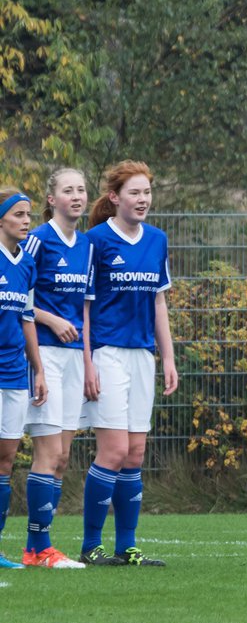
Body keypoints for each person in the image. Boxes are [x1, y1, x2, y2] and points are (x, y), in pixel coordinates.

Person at [77, 160, 178, 567]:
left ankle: (127, 547)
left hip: (142, 356)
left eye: (147, 193)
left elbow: (158, 302)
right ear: (115, 197)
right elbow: (83, 307)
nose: (143, 200)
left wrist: (167, 356)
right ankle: (90, 545)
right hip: (107, 353)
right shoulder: (95, 241)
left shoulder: (157, 240)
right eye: (135, 193)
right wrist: (87, 361)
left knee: (135, 454)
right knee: (114, 450)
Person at [21, 168, 94, 568]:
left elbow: (83, 309)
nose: (77, 196)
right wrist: (50, 320)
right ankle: (37, 548)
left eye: (81, 189)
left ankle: (41, 545)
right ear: (52, 199)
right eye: (68, 190)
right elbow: (19, 295)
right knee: (47, 454)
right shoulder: (37, 240)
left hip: (72, 359)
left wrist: (87, 361)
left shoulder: (85, 245)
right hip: (43, 354)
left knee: (63, 458)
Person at [0, 188, 49, 569]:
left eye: (28, 214)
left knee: (6, 460)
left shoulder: (26, 265)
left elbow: (27, 318)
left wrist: (39, 370)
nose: (26, 221)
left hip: (16, 374)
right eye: (18, 214)